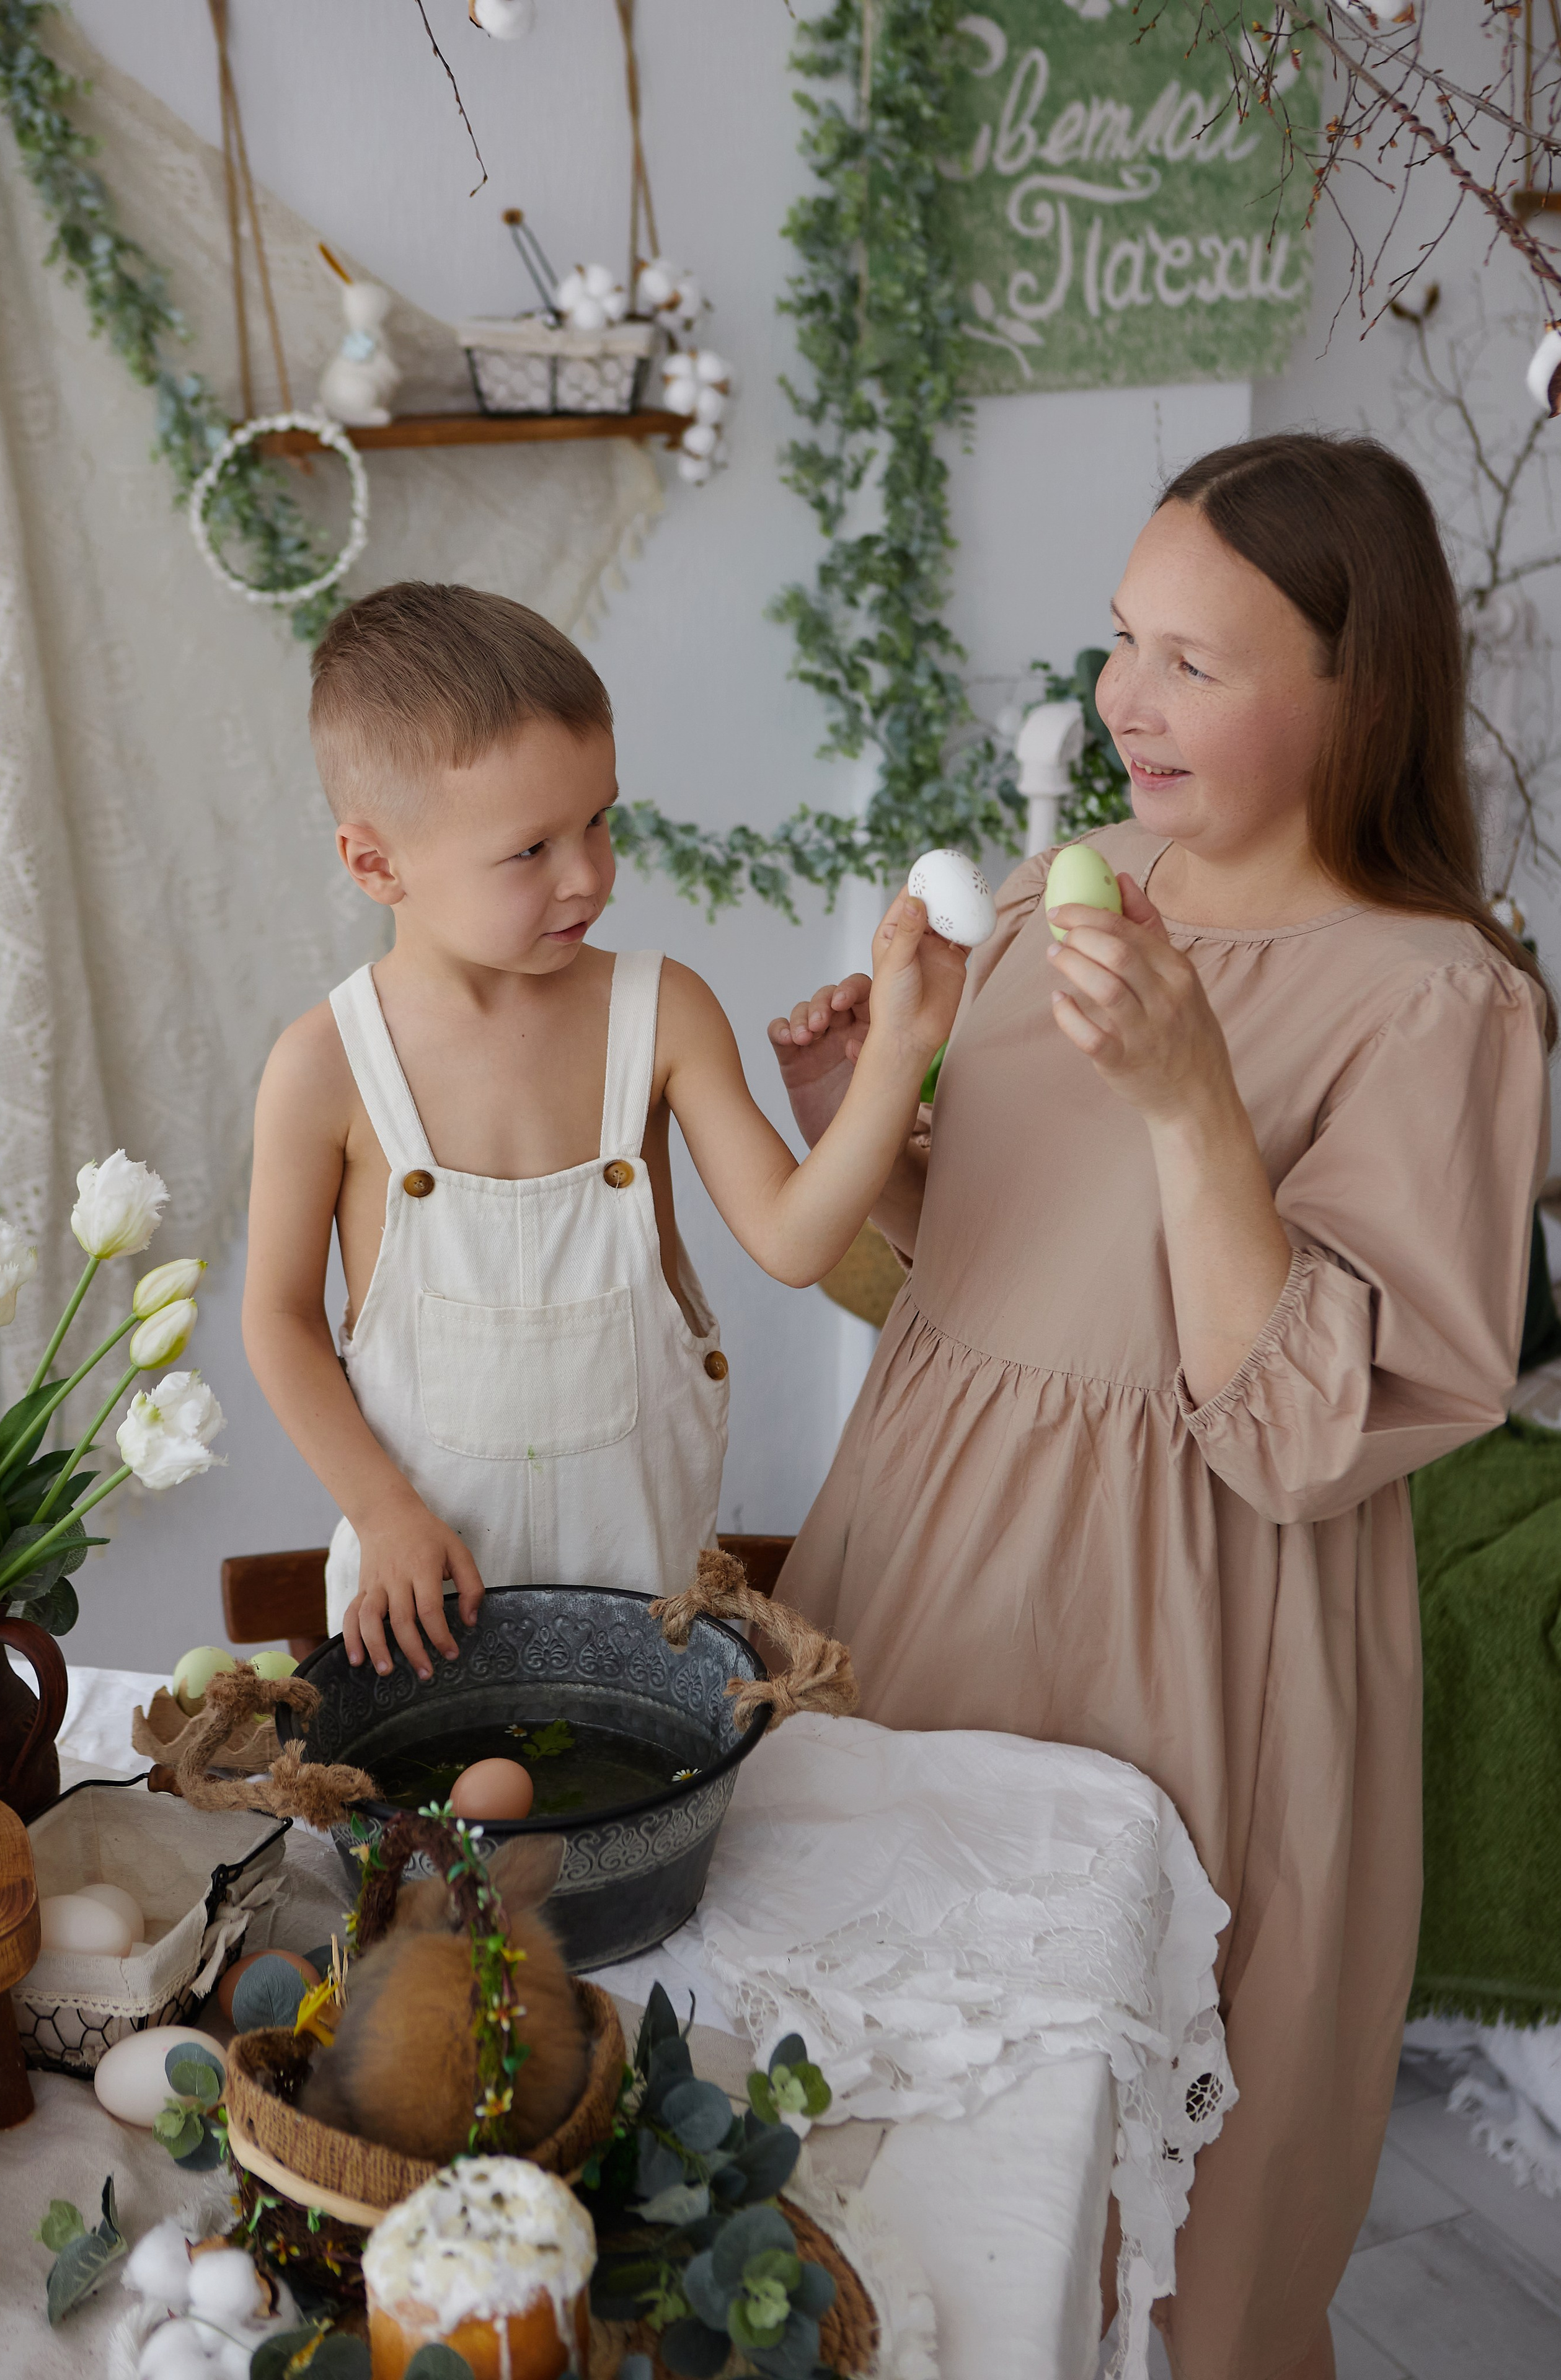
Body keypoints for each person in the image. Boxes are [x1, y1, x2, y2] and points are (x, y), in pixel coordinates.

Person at [768, 435, 1553, 2380]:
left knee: (1153, 2247)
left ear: (1359, 694)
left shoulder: (1439, 999)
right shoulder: (1058, 895)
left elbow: (1297, 1434)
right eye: (1126, 642)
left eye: (1198, 662)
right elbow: (956, 1289)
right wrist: (864, 1134)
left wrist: (1199, 1105)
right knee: (887, 2203)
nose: (1128, 700)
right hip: (921, 1593)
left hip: (1196, 1664)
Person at [243, 582, 962, 1681]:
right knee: (434, 1854)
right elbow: (281, 1320)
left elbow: (796, 1240)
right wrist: (381, 1510)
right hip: (423, 1619)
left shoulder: (661, 1010)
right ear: (376, 863)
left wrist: (901, 1051)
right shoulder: (325, 1065)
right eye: (529, 849)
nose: (588, 873)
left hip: (649, 1621)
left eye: (599, 818)